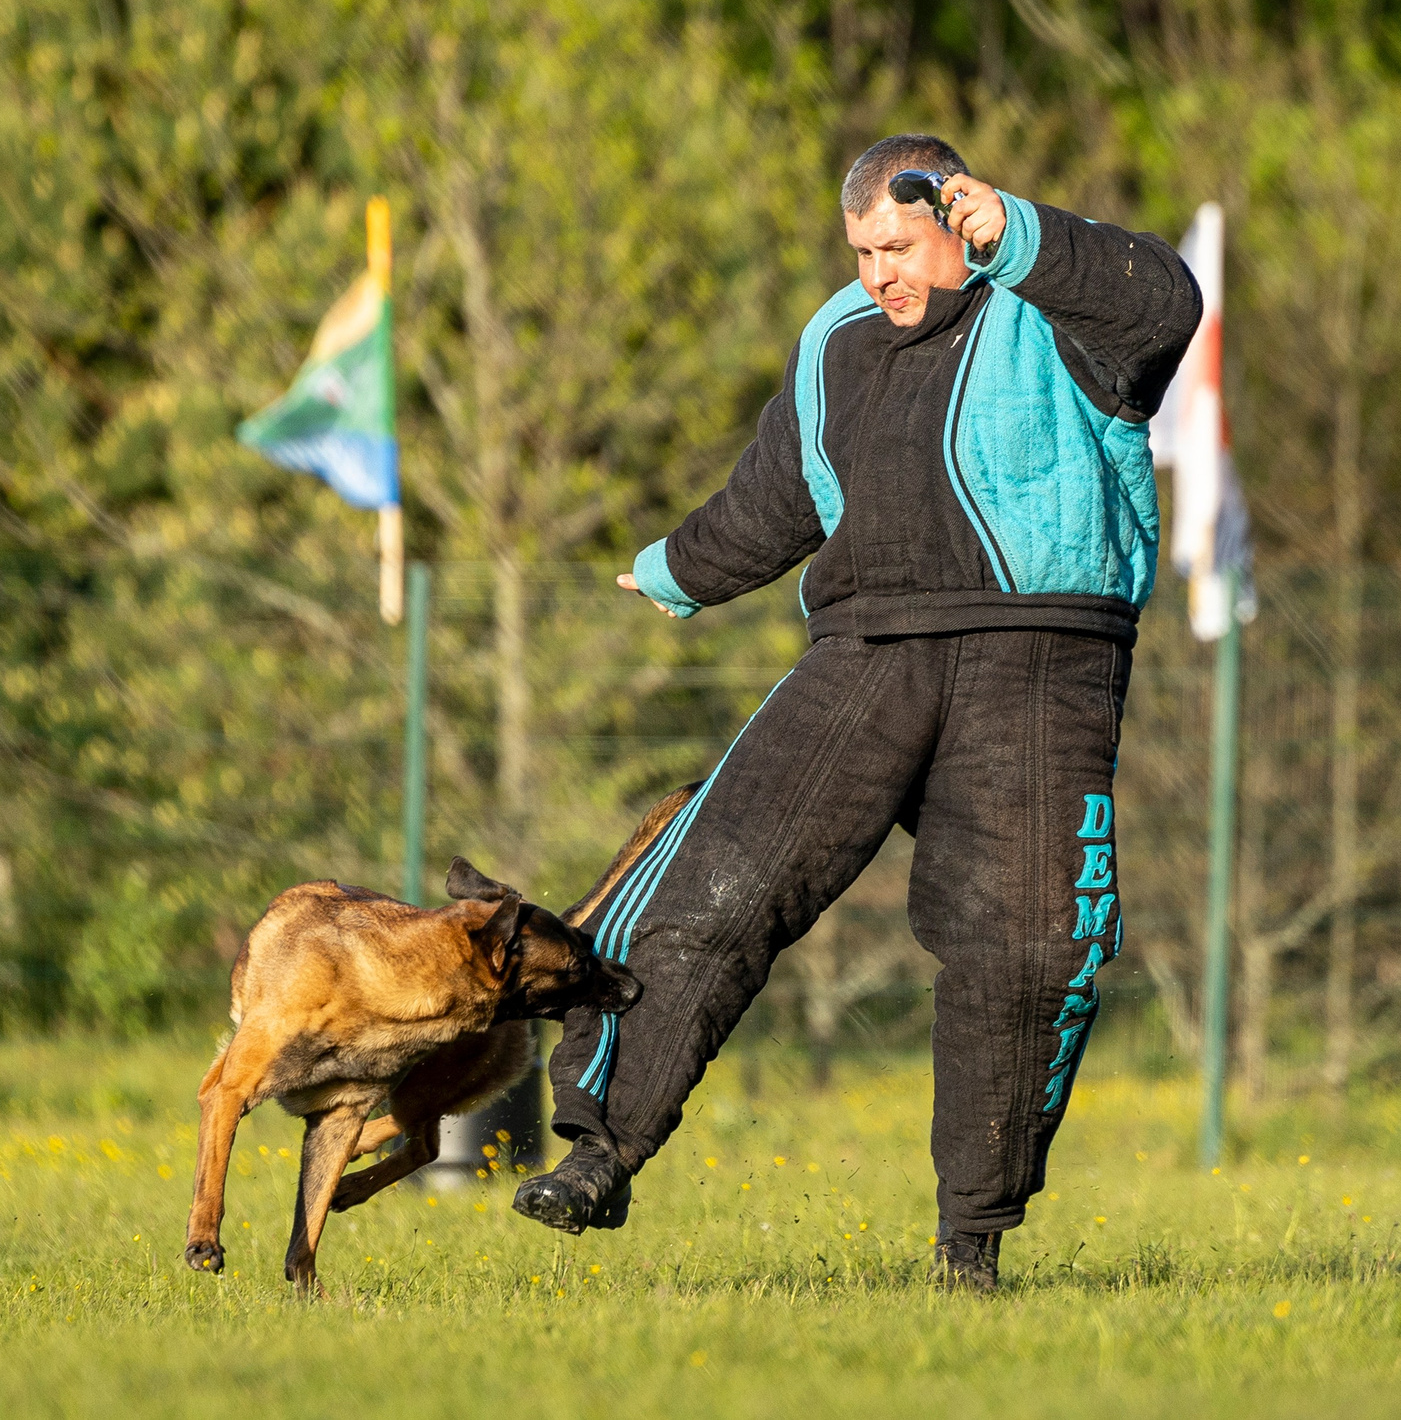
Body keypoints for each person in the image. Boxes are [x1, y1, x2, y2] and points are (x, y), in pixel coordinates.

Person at [512, 135, 1201, 1291]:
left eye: (900, 243)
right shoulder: (835, 337)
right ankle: (598, 1151)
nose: (881, 273)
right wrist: (673, 569)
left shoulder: (1058, 305)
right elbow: (777, 494)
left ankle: (967, 1243)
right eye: (863, 251)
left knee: (1029, 947)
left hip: (1041, 654)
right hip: (866, 647)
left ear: (957, 214)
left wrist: (1018, 234)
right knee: (717, 881)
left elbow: (1166, 301)